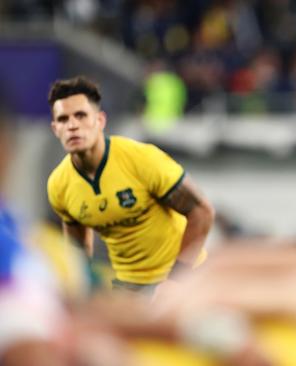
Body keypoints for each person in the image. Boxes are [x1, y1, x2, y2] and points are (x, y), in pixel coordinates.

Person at [46, 76, 215, 292]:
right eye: (63, 119)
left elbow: (202, 212)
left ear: (100, 121)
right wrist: (83, 285)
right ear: (55, 129)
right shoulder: (58, 184)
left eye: (81, 116)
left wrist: (176, 280)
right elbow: (76, 246)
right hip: (125, 286)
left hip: (181, 279)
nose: (72, 126)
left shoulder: (141, 160)